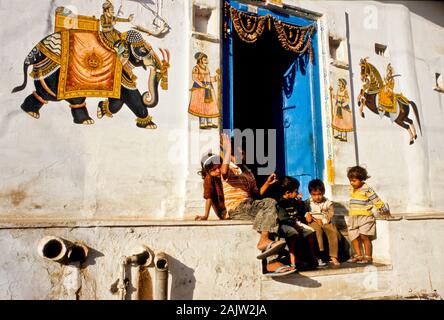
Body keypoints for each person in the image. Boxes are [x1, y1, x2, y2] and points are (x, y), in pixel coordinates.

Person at [220, 133, 295, 276]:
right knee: (270, 204)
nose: (240, 155)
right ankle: (264, 241)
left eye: (242, 152)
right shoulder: (228, 167)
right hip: (236, 208)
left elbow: (256, 194)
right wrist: (227, 150)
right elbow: (223, 173)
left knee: (273, 215)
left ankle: (272, 263)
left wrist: (267, 183)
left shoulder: (248, 172)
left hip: (250, 205)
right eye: (237, 153)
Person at [346, 166, 392, 264]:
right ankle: (359, 255)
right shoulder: (352, 188)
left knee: (364, 236)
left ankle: (368, 256)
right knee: (353, 236)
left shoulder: (366, 189)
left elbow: (376, 199)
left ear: (361, 179)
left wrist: (383, 209)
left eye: (354, 181)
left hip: (365, 217)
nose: (351, 183)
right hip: (353, 217)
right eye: (350, 180)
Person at [276, 176, 319, 270]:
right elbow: (283, 218)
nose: (297, 193)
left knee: (311, 232)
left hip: (297, 223)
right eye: (295, 191)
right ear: (288, 193)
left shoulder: (293, 201)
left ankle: (312, 255)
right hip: (289, 225)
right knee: (294, 236)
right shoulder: (281, 203)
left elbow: (300, 210)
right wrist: (294, 224)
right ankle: (293, 260)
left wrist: (299, 203)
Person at [305, 179, 340, 266]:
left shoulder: (328, 203)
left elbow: (330, 214)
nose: (317, 197)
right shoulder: (307, 202)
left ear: (323, 192)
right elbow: (303, 211)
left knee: (333, 231)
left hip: (324, 221)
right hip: (313, 221)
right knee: (317, 231)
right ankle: (319, 254)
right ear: (310, 194)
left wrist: (324, 221)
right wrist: (307, 215)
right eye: (314, 195)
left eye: (319, 194)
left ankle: (333, 256)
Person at [100, 0, 135, 80]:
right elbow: (103, 26)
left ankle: (123, 63)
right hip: (107, 34)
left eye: (113, 8)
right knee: (117, 47)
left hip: (113, 32)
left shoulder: (112, 17)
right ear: (106, 10)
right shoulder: (103, 16)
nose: (113, 10)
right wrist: (110, 24)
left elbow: (119, 19)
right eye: (111, 9)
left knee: (124, 41)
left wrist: (128, 20)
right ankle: (116, 63)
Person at [188, 52, 220, 129]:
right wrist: (204, 85)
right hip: (200, 89)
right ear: (200, 60)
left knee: (209, 106)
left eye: (206, 60)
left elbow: (209, 79)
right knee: (201, 106)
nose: (206, 61)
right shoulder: (196, 68)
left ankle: (209, 122)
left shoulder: (207, 69)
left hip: (208, 88)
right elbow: (195, 79)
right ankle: (202, 123)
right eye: (205, 60)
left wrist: (216, 78)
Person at [195, 153, 228, 221]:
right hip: (224, 213)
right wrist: (206, 216)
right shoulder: (209, 179)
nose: (218, 170)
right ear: (207, 171)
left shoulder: (221, 176)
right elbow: (209, 197)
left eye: (219, 167)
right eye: (214, 169)